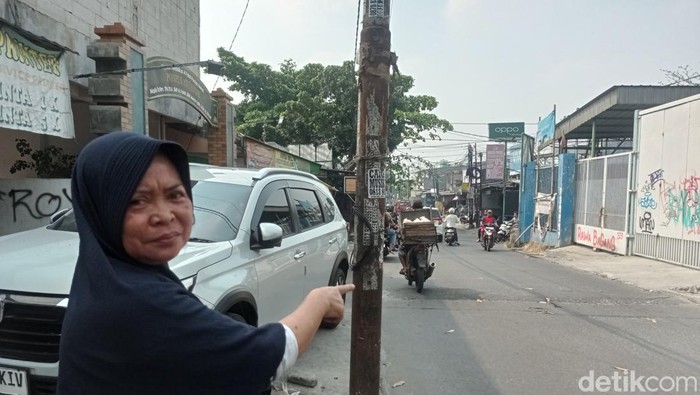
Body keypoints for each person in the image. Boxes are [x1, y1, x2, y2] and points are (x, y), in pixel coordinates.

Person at [57, 132, 354, 394]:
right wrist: (318, 301)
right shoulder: (136, 299)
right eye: (137, 200)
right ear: (101, 210)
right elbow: (264, 360)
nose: (164, 214)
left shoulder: (105, 275)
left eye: (175, 194)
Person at [398, 198, 424, 275]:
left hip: (410, 240)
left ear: (413, 207)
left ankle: (405, 267)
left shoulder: (408, 214)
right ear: (422, 207)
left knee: (400, 251)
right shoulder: (426, 214)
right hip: (424, 239)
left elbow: (402, 227)